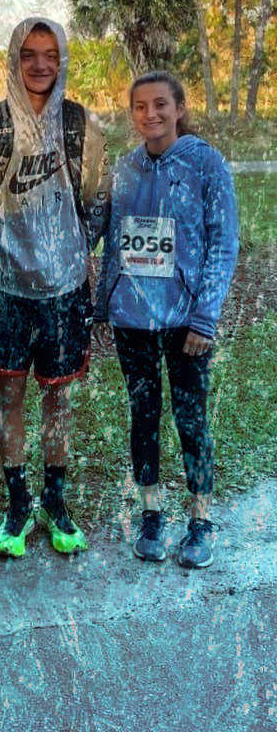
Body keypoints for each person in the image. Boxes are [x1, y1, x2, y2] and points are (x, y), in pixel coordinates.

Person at [0, 16, 109, 558]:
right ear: (13, 59)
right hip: (2, 288)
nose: (40, 64)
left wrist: (67, 250)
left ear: (62, 59)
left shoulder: (81, 127)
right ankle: (18, 502)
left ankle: (55, 498)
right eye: (29, 54)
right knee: (9, 394)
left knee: (58, 396)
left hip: (63, 290)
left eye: (50, 54)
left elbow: (97, 201)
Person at [94, 70, 238, 568]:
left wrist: (205, 318)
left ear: (179, 109)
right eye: (140, 106)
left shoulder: (206, 163)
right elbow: (112, 242)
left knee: (191, 418)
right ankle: (151, 512)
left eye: (160, 104)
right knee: (144, 415)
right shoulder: (125, 168)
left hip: (186, 322)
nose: (150, 114)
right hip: (132, 318)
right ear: (132, 114)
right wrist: (103, 307)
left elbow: (223, 244)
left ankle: (201, 518)